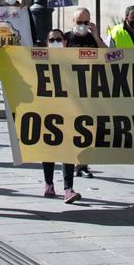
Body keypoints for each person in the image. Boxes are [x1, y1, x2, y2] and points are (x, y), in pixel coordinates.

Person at [41, 29, 82, 203]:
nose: (56, 42)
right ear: (46, 43)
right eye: (52, 40)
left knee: (68, 149)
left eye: (59, 39)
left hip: (69, 110)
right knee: (49, 147)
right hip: (47, 109)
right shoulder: (38, 60)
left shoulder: (74, 59)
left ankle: (68, 188)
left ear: (65, 42)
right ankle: (49, 184)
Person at [64, 8, 105, 178]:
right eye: (79, 22)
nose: (82, 25)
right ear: (73, 22)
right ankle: (70, 161)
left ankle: (82, 164)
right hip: (69, 91)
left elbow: (108, 55)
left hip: (89, 91)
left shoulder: (93, 39)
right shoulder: (65, 38)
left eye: (86, 22)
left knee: (87, 128)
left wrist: (96, 35)